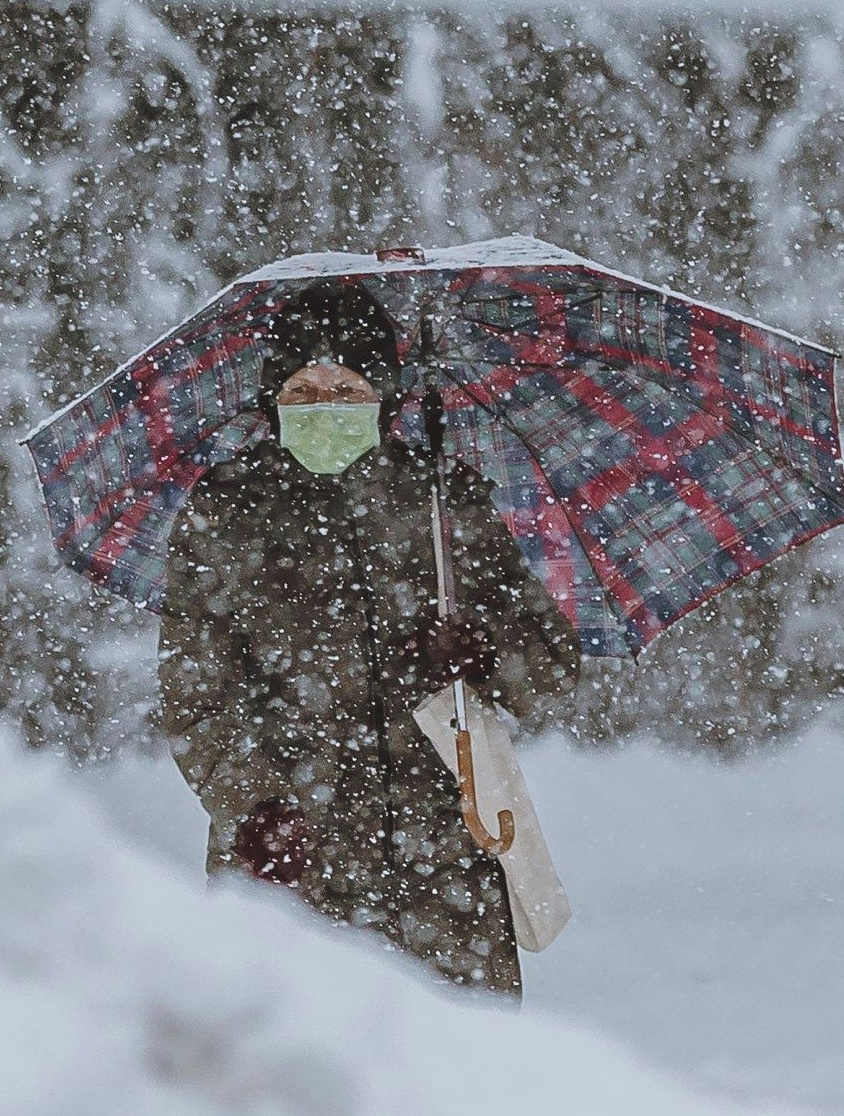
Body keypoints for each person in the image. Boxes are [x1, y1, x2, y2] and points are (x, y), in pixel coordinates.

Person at [157, 282, 580, 999]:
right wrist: (255, 806)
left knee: (454, 1061)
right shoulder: (225, 512)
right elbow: (195, 695)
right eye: (302, 389)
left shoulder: (444, 501)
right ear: (271, 400)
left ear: (385, 397)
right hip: (289, 864)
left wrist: (482, 651)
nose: (324, 406)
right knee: (294, 1056)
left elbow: (549, 666)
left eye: (347, 388)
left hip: (444, 871)